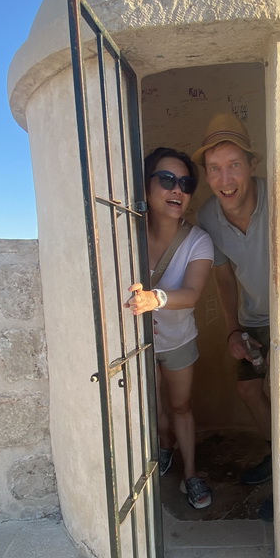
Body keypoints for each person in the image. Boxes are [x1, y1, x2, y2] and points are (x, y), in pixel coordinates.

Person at [192, 114, 274, 520]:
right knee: (248, 390)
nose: (225, 178)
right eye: (215, 168)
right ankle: (278, 455)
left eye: (234, 165)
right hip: (253, 316)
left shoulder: (278, 197)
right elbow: (222, 277)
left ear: (252, 166)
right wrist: (233, 331)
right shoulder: (208, 216)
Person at [124, 147, 214, 509]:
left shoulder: (198, 240)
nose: (177, 189)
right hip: (139, 342)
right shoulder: (127, 235)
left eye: (185, 183)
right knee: (154, 410)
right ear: (146, 187)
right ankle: (165, 450)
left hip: (177, 340)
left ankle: (190, 474)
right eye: (166, 180)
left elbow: (191, 293)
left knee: (180, 406)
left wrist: (154, 299)